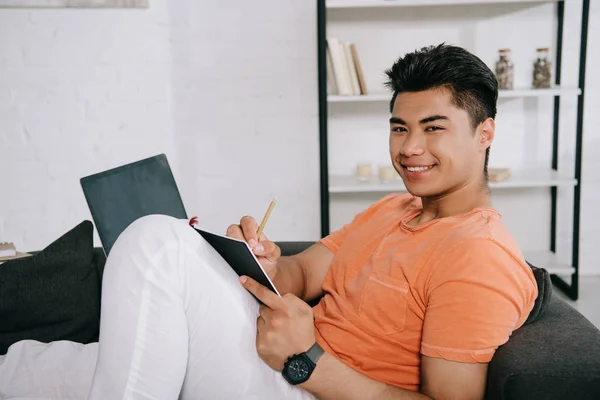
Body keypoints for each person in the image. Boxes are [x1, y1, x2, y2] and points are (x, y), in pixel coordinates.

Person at [0, 43, 537, 400]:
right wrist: (266, 261)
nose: (410, 148)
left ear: (485, 133)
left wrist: (307, 361)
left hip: (304, 386)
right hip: (275, 355)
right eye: (399, 128)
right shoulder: (395, 210)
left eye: (433, 128)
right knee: (33, 366)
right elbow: (303, 275)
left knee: (156, 243)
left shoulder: (478, 255)